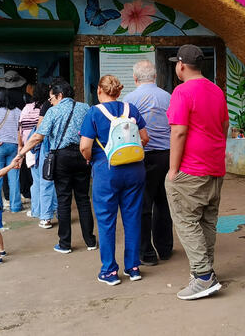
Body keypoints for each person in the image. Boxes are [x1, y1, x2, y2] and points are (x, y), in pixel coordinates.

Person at [165, 45, 229, 300]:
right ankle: (206, 272)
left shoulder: (182, 91)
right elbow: (225, 125)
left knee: (186, 220)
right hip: (215, 167)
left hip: (190, 169)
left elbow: (178, 131)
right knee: (207, 221)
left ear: (181, 65)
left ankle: (202, 276)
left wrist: (172, 170)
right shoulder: (216, 90)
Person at [80, 75, 150, 285]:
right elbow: (145, 138)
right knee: (132, 218)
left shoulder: (94, 112)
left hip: (106, 171)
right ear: (119, 92)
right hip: (135, 170)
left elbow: (84, 146)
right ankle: (133, 267)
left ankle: (110, 271)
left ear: (100, 91)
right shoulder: (132, 109)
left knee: (106, 221)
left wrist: (90, 159)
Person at [16, 80, 96, 253]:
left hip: (62, 158)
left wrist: (21, 153)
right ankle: (90, 241)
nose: (50, 101)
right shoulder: (85, 108)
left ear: (60, 95)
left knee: (64, 200)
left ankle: (65, 244)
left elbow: (38, 136)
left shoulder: (53, 111)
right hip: (82, 155)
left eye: (51, 98)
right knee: (83, 199)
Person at [123, 59, 174, 267]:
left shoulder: (130, 99)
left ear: (135, 78)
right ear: (155, 77)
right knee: (164, 202)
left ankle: (147, 253)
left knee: (143, 204)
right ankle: (165, 247)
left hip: (141, 156)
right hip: (167, 155)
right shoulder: (168, 96)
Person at [20, 83, 57, 228]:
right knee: (51, 182)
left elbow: (22, 128)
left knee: (39, 181)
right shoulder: (51, 107)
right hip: (45, 148)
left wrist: (21, 148)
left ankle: (39, 212)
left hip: (34, 148)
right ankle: (54, 211)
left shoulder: (30, 108)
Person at [0, 88, 22, 212]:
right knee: (14, 178)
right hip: (14, 146)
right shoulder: (17, 111)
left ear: (0, 97)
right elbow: (20, 129)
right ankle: (16, 206)